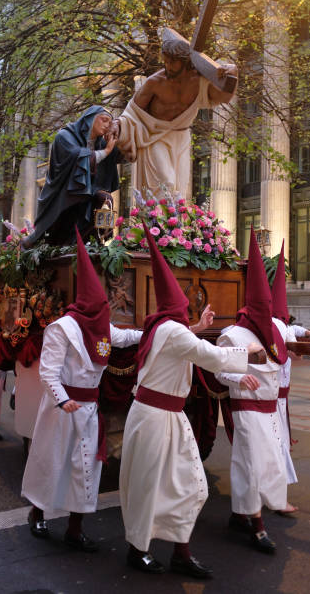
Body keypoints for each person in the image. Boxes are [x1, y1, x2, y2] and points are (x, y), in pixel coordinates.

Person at [119, 223, 263, 578]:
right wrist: (252, 353)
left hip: (166, 416)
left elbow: (182, 342)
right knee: (150, 485)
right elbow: (205, 354)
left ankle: (180, 551)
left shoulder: (163, 328)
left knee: (189, 484)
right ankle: (139, 550)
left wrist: (198, 325)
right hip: (155, 418)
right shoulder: (172, 331)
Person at [21, 228, 142, 550]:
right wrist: (63, 402)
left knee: (86, 467)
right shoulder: (63, 328)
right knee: (53, 462)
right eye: (102, 307)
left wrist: (156, 331)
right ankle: (38, 512)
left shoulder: (101, 326)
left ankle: (76, 528)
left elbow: (124, 337)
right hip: (63, 410)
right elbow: (48, 372)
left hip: (89, 409)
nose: (107, 313)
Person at [215, 227, 289, 554]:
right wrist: (237, 377)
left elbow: (288, 345)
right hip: (246, 409)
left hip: (271, 411)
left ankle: (240, 514)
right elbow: (218, 368)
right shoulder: (232, 335)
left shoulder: (275, 330)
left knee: (271, 464)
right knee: (252, 464)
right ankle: (257, 527)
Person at [114, 36, 237, 199]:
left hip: (181, 137)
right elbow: (132, 112)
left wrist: (233, 72)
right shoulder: (155, 82)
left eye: (172, 62)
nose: (168, 66)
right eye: (165, 61)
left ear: (184, 61)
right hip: (155, 137)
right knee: (166, 182)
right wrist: (118, 124)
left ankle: (175, 223)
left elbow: (223, 97)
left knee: (179, 190)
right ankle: (158, 223)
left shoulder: (198, 82)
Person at [271, 241, 310, 514]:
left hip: (279, 399)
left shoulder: (280, 323)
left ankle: (268, 497)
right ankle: (276, 498)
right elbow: (281, 344)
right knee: (277, 447)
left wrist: (306, 334)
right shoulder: (273, 326)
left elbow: (290, 331)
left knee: (277, 446)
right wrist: (291, 350)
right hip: (272, 401)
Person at [23, 106, 122, 248]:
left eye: (109, 123)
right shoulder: (65, 136)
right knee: (62, 227)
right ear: (90, 119)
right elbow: (78, 158)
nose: (107, 125)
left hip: (86, 193)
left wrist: (118, 129)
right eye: (104, 120)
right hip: (63, 194)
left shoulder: (100, 142)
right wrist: (106, 151)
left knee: (104, 199)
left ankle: (94, 241)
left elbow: (120, 154)